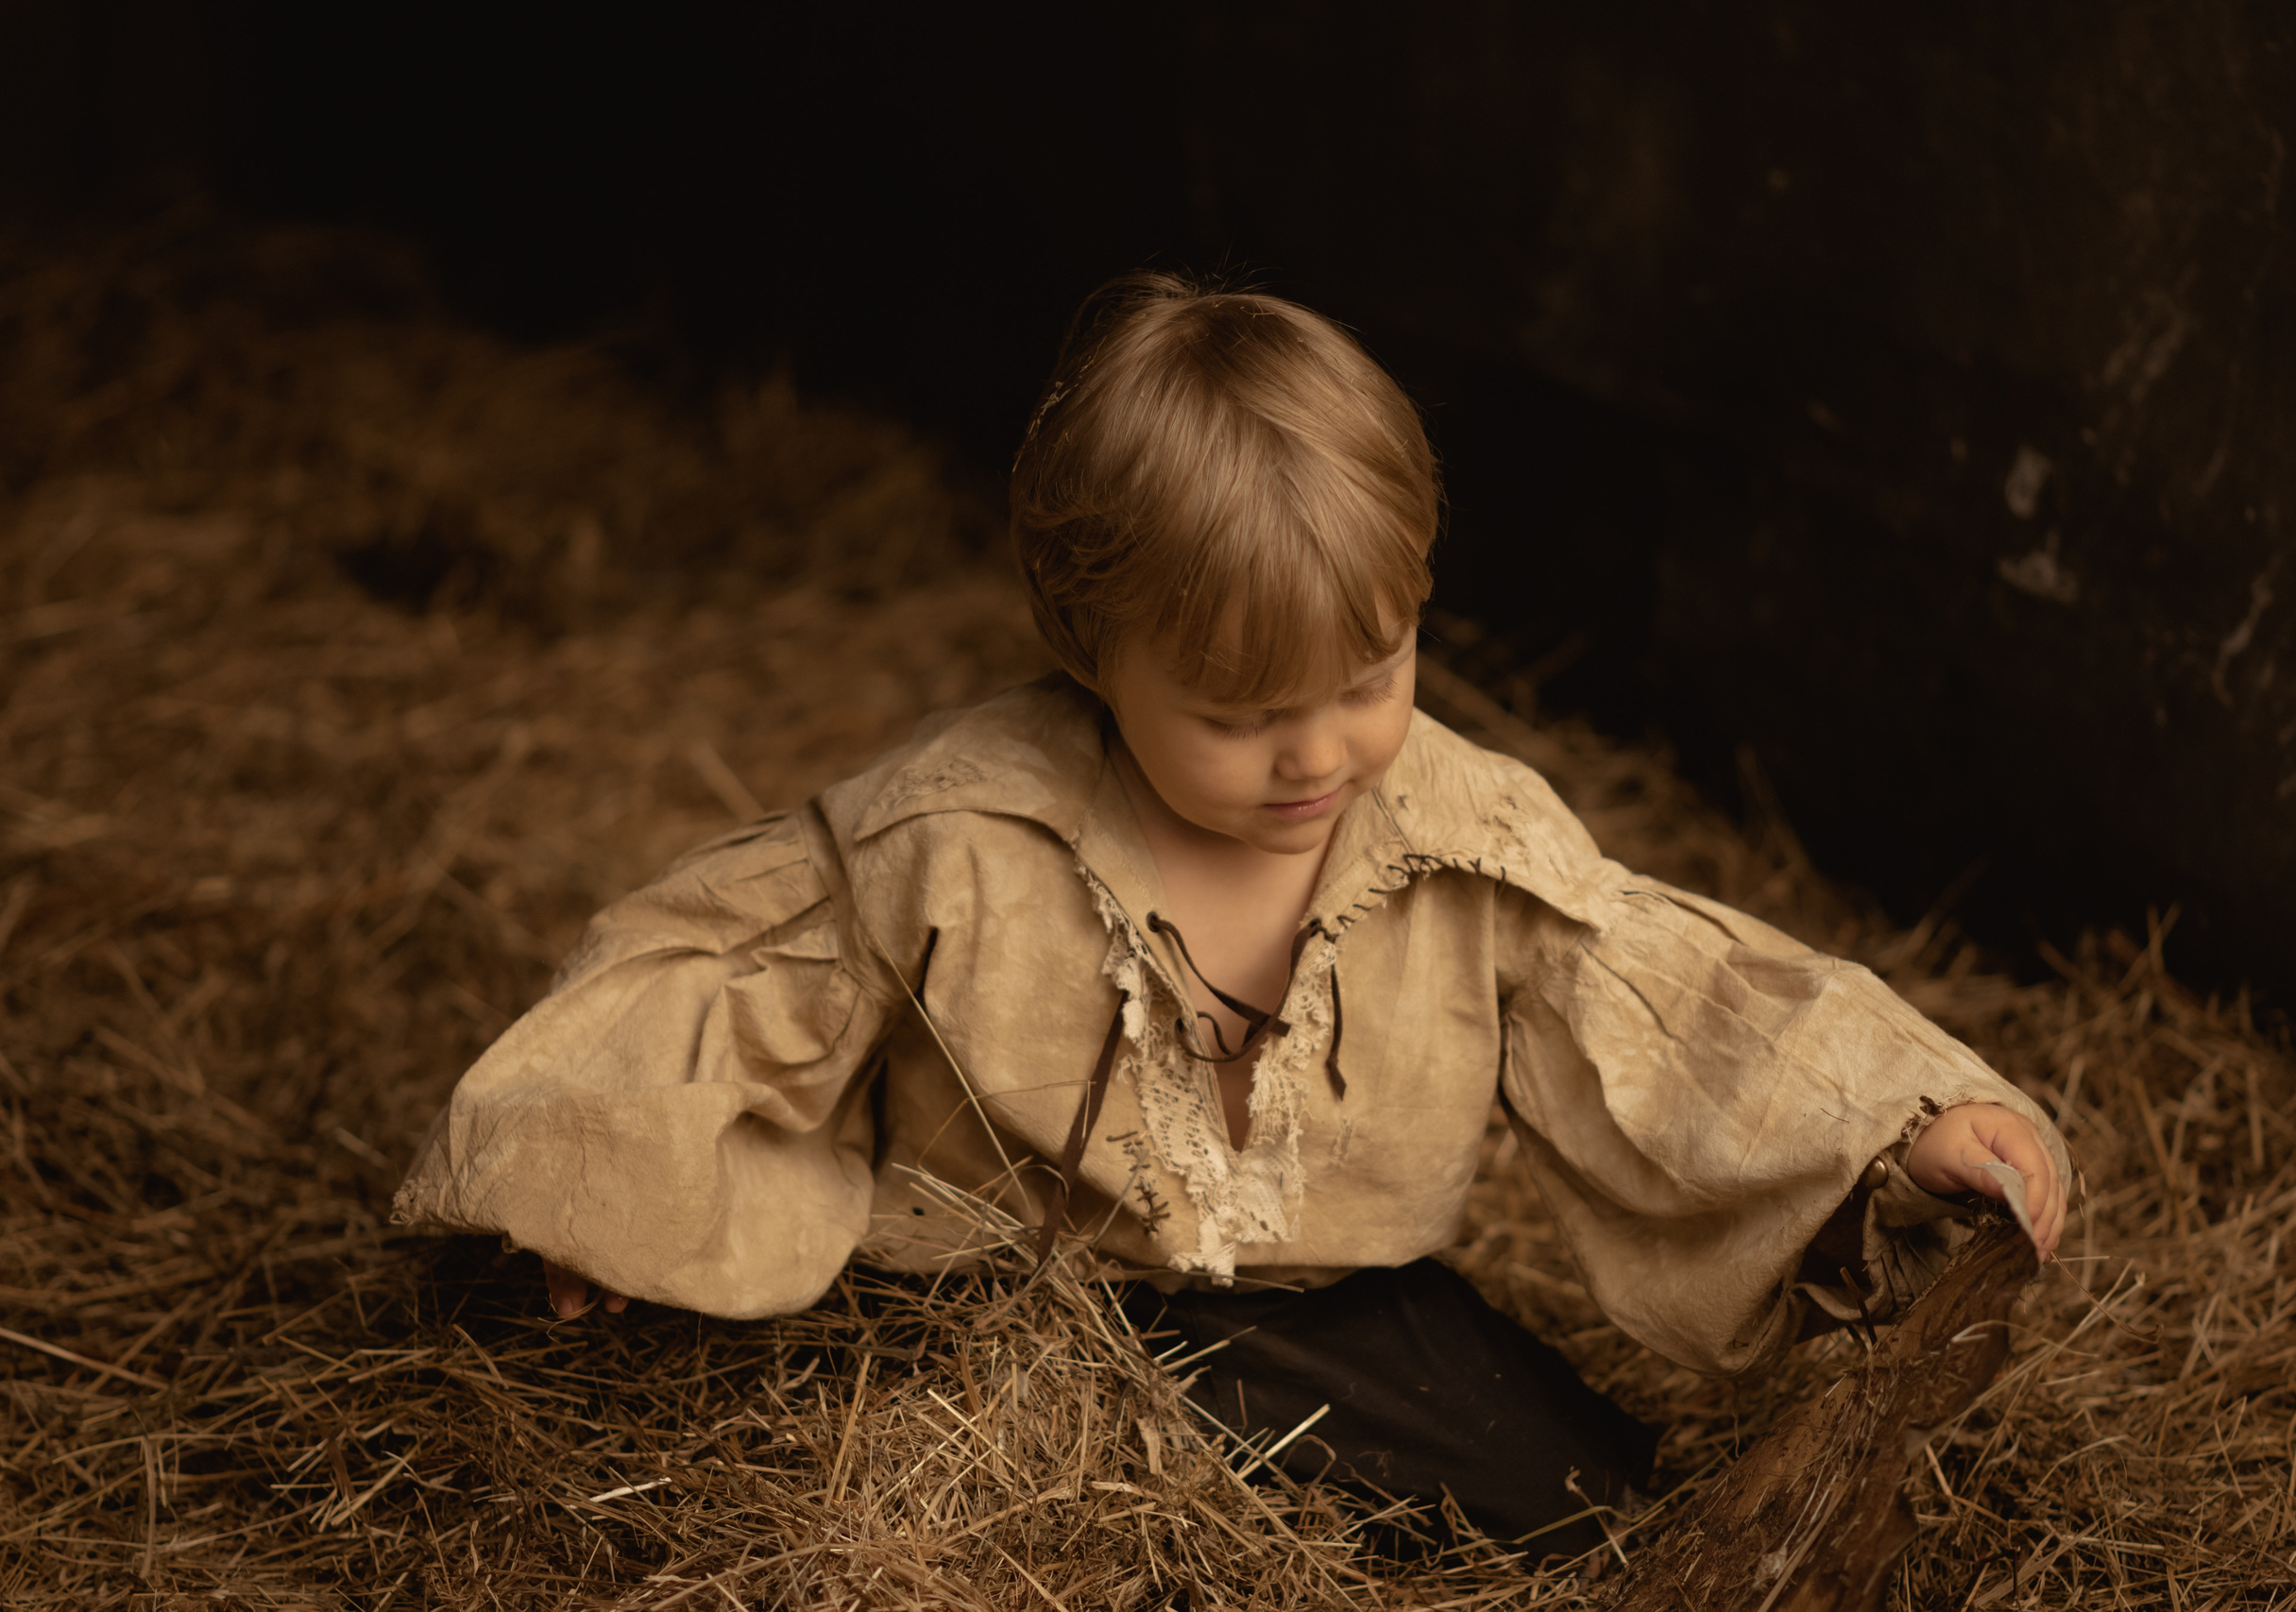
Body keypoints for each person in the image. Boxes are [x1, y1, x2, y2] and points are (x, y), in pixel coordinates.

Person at [394, 272, 2068, 1563]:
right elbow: (726, 982)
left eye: (1369, 678)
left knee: (1579, 1513)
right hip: (978, 1298)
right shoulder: (961, 833)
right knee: (851, 1488)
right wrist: (602, 1182)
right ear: (1084, 644)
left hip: (1314, 1304)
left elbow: (1671, 1012)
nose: (1319, 752)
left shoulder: (1458, 841)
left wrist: (1895, 1122)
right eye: (1237, 711)